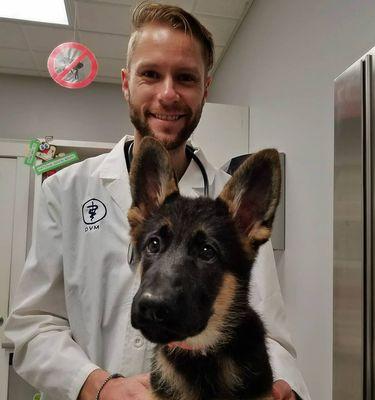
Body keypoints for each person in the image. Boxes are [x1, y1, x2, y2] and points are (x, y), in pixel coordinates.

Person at [5, 3, 311, 400]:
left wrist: (282, 390)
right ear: (126, 83)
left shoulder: (232, 211)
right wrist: (99, 387)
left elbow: (269, 332)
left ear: (205, 88)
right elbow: (32, 324)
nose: (168, 94)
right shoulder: (66, 190)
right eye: (151, 74)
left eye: (185, 77)